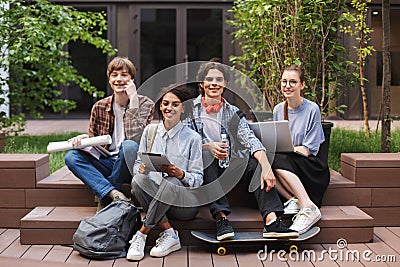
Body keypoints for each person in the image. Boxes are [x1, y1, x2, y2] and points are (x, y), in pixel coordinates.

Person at [185, 61, 298, 241]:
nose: (214, 83)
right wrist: (208, 146)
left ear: (225, 84)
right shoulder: (189, 109)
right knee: (205, 155)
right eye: (209, 79)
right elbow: (182, 143)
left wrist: (266, 166)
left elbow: (250, 139)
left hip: (229, 165)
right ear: (201, 83)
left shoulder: (233, 111)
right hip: (204, 169)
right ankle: (221, 219)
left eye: (219, 79)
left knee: (256, 163)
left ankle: (271, 221)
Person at [65, 56, 154, 208]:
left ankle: (104, 196)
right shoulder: (99, 106)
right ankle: (114, 193)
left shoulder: (146, 104)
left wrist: (133, 100)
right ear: (109, 78)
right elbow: (95, 142)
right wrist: (85, 140)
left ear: (132, 79)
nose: (119, 79)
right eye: (114, 75)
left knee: (129, 146)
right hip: (107, 161)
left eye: (124, 75)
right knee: (71, 156)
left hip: (131, 162)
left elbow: (135, 138)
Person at [126, 84, 203, 261]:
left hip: (184, 204)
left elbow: (198, 179)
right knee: (137, 180)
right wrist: (142, 168)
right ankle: (170, 233)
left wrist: (181, 174)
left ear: (183, 108)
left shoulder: (193, 138)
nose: (169, 108)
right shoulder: (150, 131)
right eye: (165, 103)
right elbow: (139, 162)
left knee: (171, 182)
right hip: (157, 199)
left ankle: (142, 234)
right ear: (160, 106)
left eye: (175, 104)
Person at [272, 64, 330, 234]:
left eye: (293, 82)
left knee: (275, 157)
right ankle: (293, 200)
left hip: (312, 169)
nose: (287, 86)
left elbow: (309, 149)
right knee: (263, 160)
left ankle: (308, 206)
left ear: (302, 85)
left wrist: (286, 151)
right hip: (288, 168)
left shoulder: (312, 109)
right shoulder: (278, 109)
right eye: (284, 81)